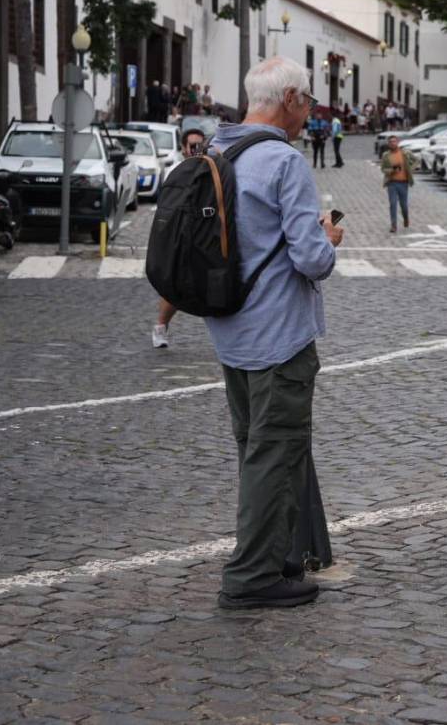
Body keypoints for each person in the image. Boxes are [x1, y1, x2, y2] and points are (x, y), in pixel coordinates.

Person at [207, 56, 343, 610]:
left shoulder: (217, 151)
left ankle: (281, 552)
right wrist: (328, 238)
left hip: (231, 331)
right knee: (274, 450)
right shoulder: (284, 162)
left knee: (254, 449)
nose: (308, 112)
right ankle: (252, 574)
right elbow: (311, 260)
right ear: (289, 98)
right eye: (307, 102)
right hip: (278, 335)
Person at [151, 129, 209, 349]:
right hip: (179, 234)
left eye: (200, 145)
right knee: (175, 285)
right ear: (184, 148)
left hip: (204, 234)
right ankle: (160, 326)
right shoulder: (176, 171)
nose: (196, 149)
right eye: (192, 145)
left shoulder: (210, 167)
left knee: (213, 283)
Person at [380, 136, 413, 232]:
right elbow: (383, 169)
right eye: (390, 142)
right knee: (393, 204)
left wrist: (410, 169)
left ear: (398, 142)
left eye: (394, 141)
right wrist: (392, 170)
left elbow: (416, 160)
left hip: (403, 183)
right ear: (388, 144)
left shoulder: (404, 153)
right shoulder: (386, 155)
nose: (392, 143)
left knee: (404, 205)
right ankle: (393, 225)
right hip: (392, 183)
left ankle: (406, 218)